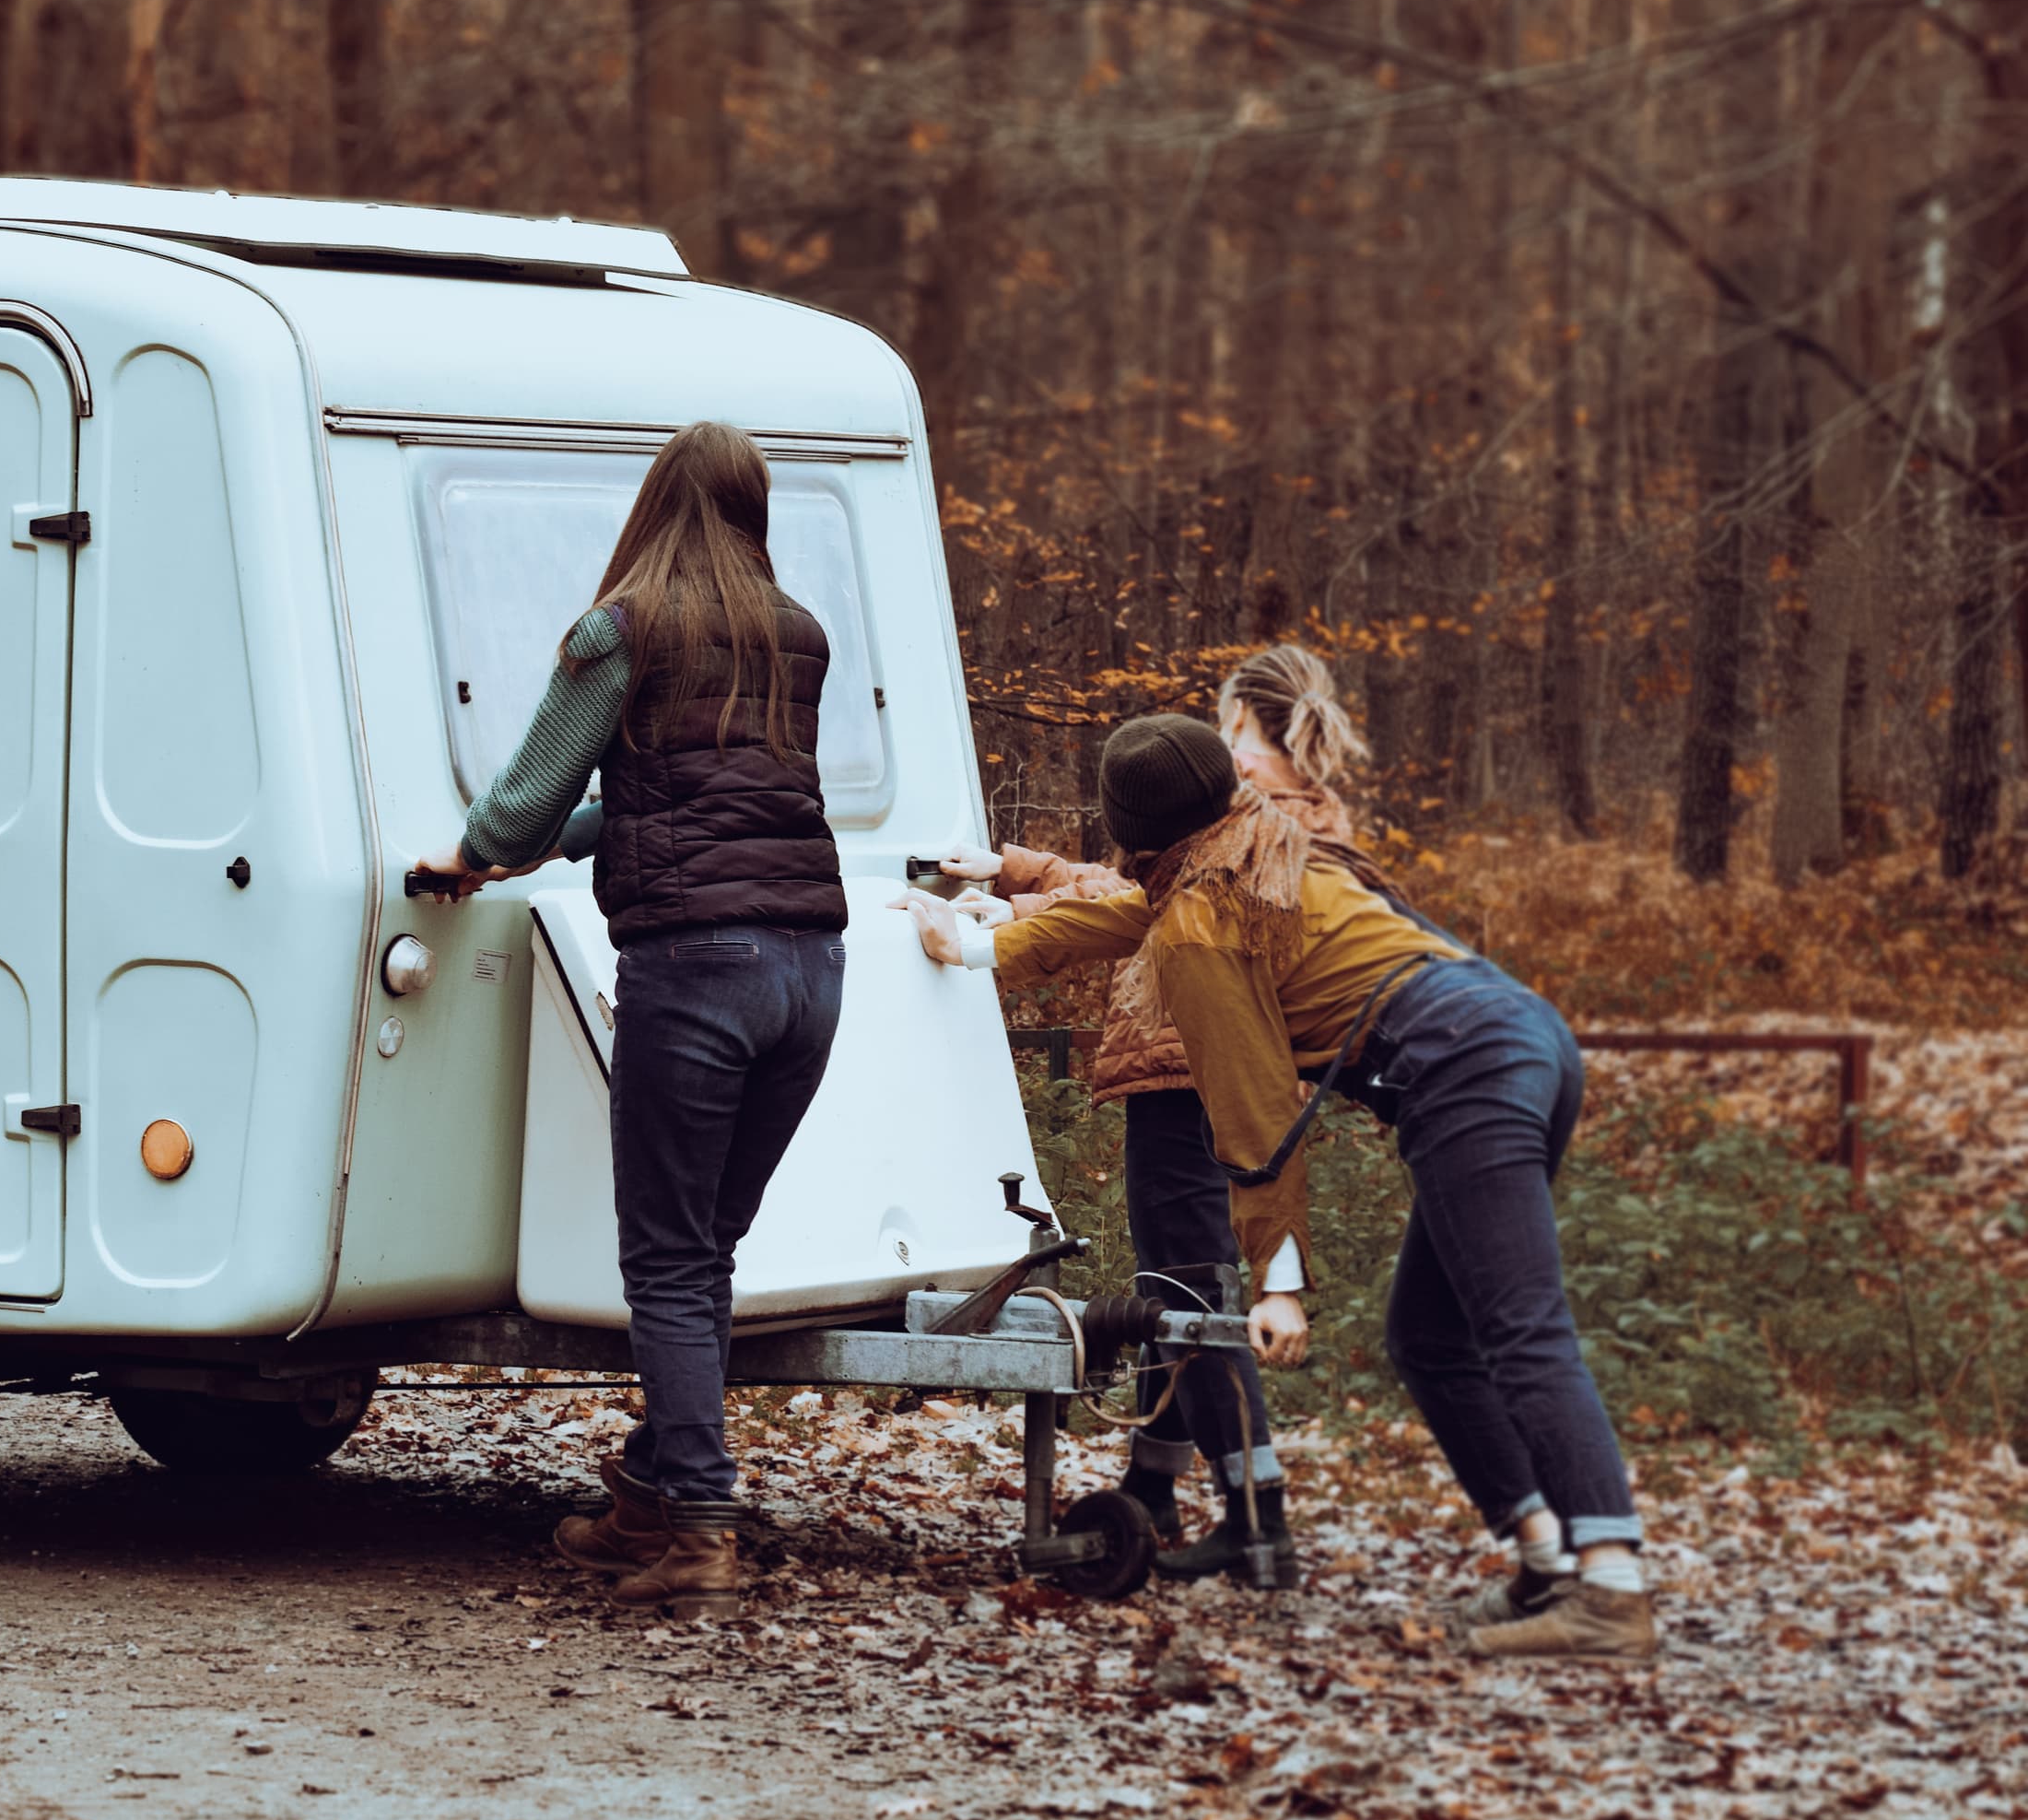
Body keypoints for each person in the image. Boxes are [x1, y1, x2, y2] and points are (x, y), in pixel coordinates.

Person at [899, 713, 1657, 1662]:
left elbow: (1252, 1114)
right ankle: (1546, 1558)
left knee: (1521, 1329)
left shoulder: (1201, 926)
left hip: (1461, 1065)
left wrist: (1279, 1282)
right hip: (1521, 1031)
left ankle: (1611, 1590)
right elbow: (1130, 916)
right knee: (1429, 1339)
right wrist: (977, 949)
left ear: (1131, 828)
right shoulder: (1263, 847)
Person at [421, 421, 845, 1624]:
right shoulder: (797, 635)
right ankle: (653, 1496)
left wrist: (474, 855)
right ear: (753, 507)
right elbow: (693, 798)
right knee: (707, 1245)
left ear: (658, 501)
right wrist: (556, 844)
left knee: (665, 1254)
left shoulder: (621, 630)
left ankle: (700, 1528)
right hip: (813, 969)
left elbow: (526, 796)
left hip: (698, 967)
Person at [936, 643, 1369, 1589]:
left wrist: (1007, 909)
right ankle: (1155, 1483)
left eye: (1229, 721)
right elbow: (1134, 894)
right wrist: (1017, 872)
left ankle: (1257, 1519)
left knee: (1191, 1292)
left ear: (1249, 727)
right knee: (1173, 1286)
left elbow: (1138, 902)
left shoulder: (1252, 825)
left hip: (1186, 1078)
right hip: (1184, 1072)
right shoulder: (1271, 817)